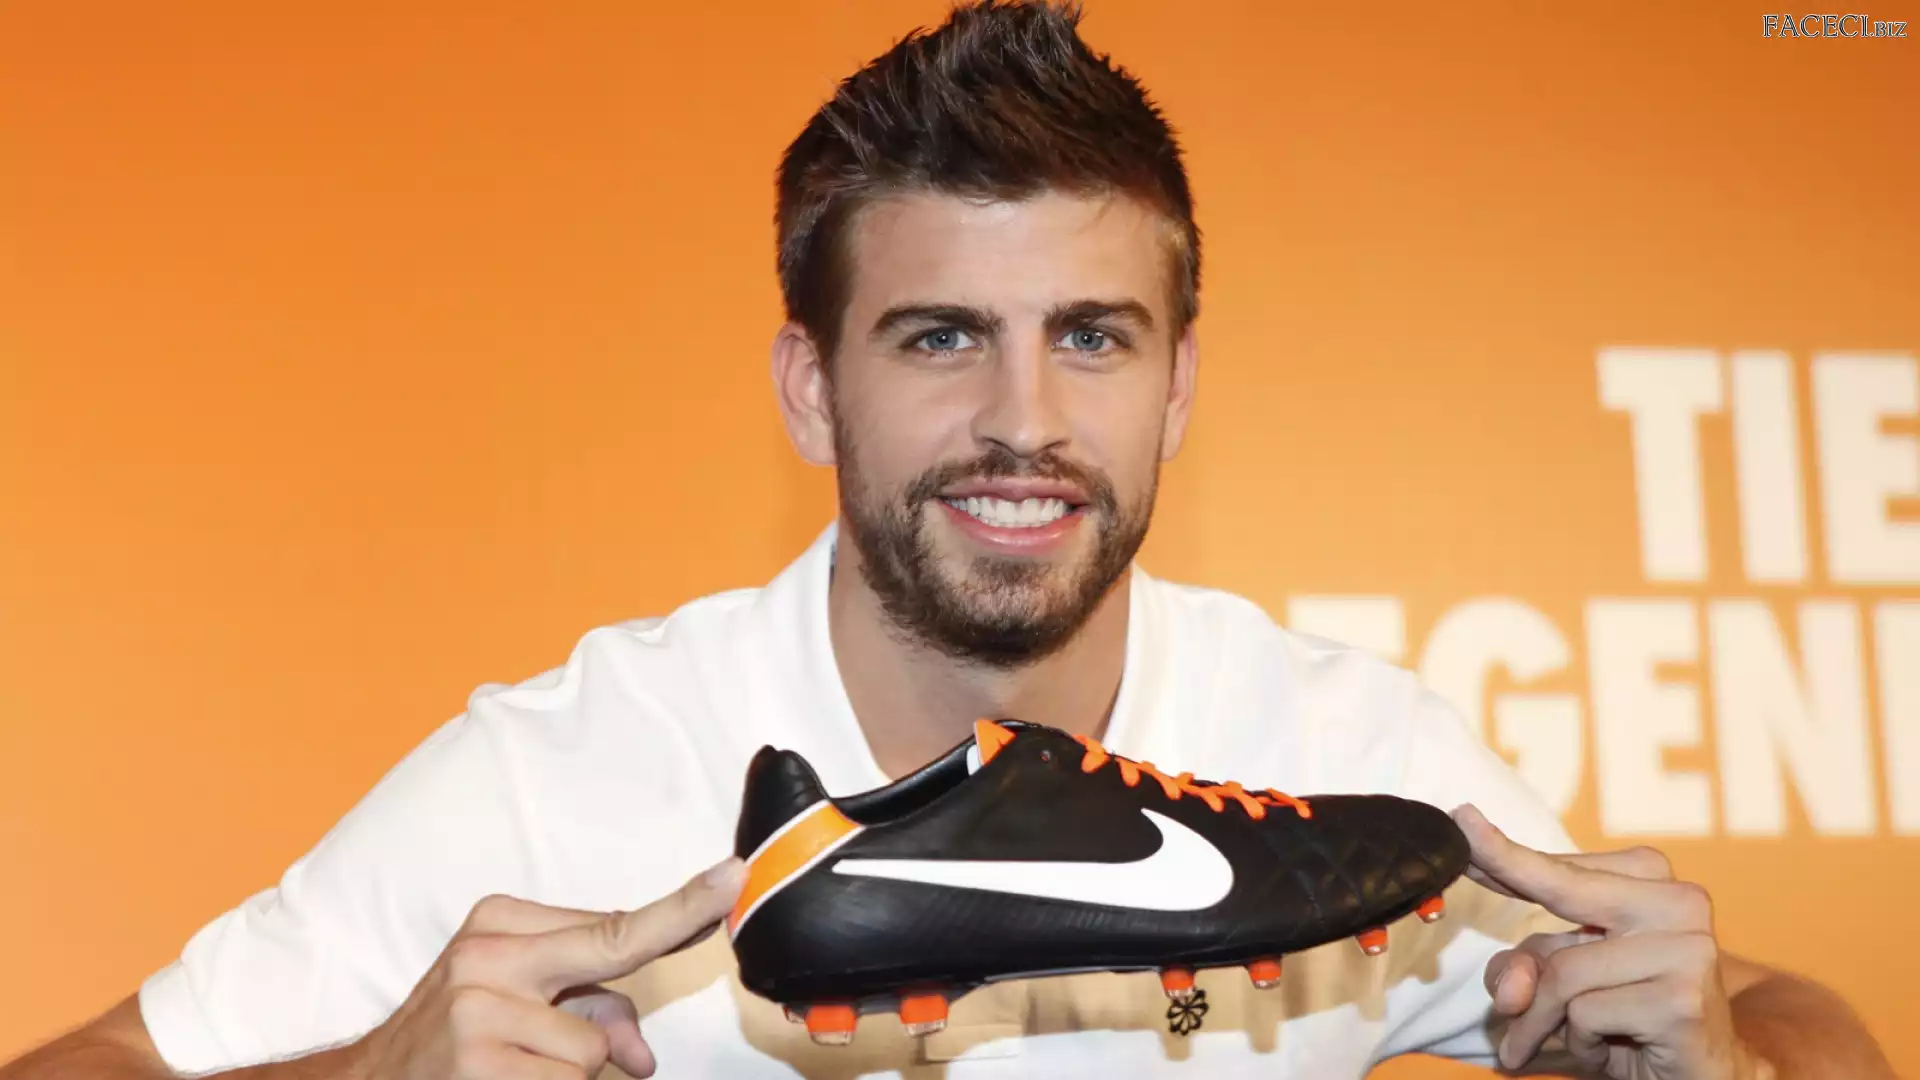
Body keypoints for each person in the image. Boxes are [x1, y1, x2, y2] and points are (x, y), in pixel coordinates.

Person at [1, 3, 1896, 1079]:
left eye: (1094, 338)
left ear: (1178, 385)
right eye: (937, 338)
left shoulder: (1351, 755)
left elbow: (1798, 1016)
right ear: (809, 389)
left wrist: (1725, 1058)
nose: (1025, 421)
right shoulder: (561, 778)